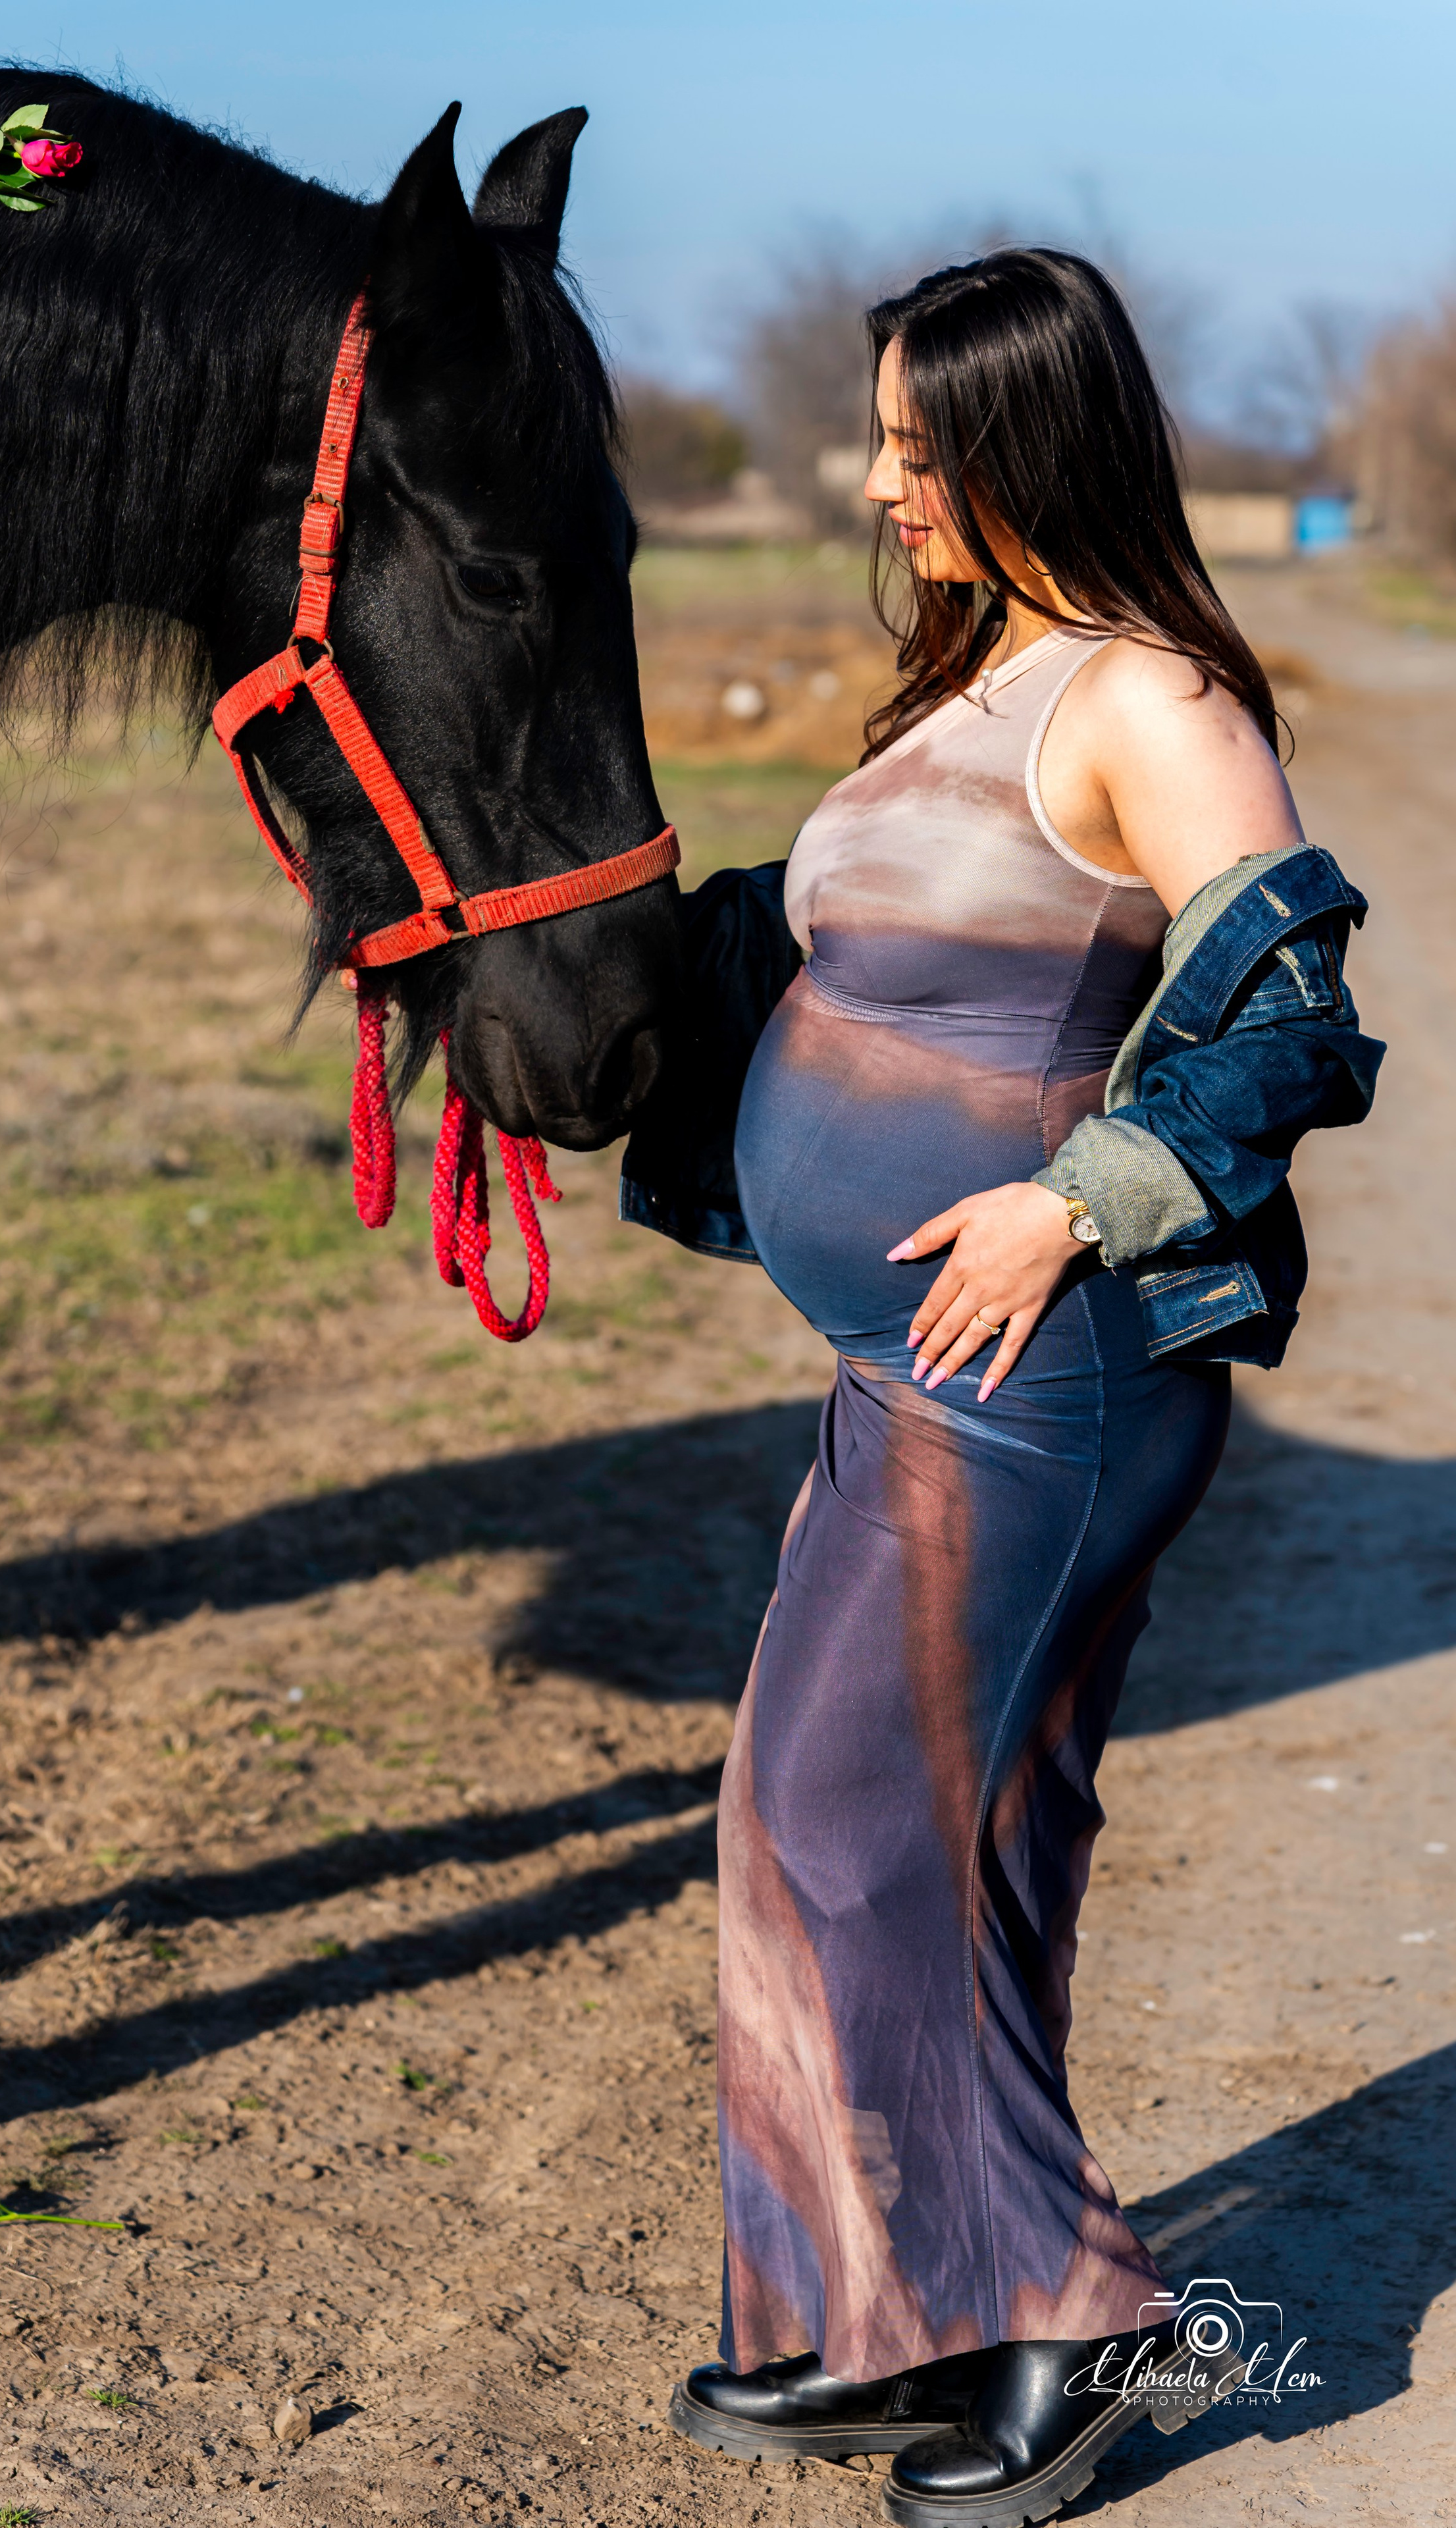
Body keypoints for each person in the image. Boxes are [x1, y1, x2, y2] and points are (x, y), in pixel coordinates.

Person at [658, 250, 1382, 2525]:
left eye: (916, 444)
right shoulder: (986, 675)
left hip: (1045, 1381)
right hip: (921, 1368)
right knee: (875, 1833)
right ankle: (887, 2314)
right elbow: (830, 939)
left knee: (854, 1824)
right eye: (882, 440)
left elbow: (1292, 1006)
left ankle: (1071, 2317)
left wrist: (1077, 1198)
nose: (884, 486)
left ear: (1027, 441)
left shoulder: (1152, 698)